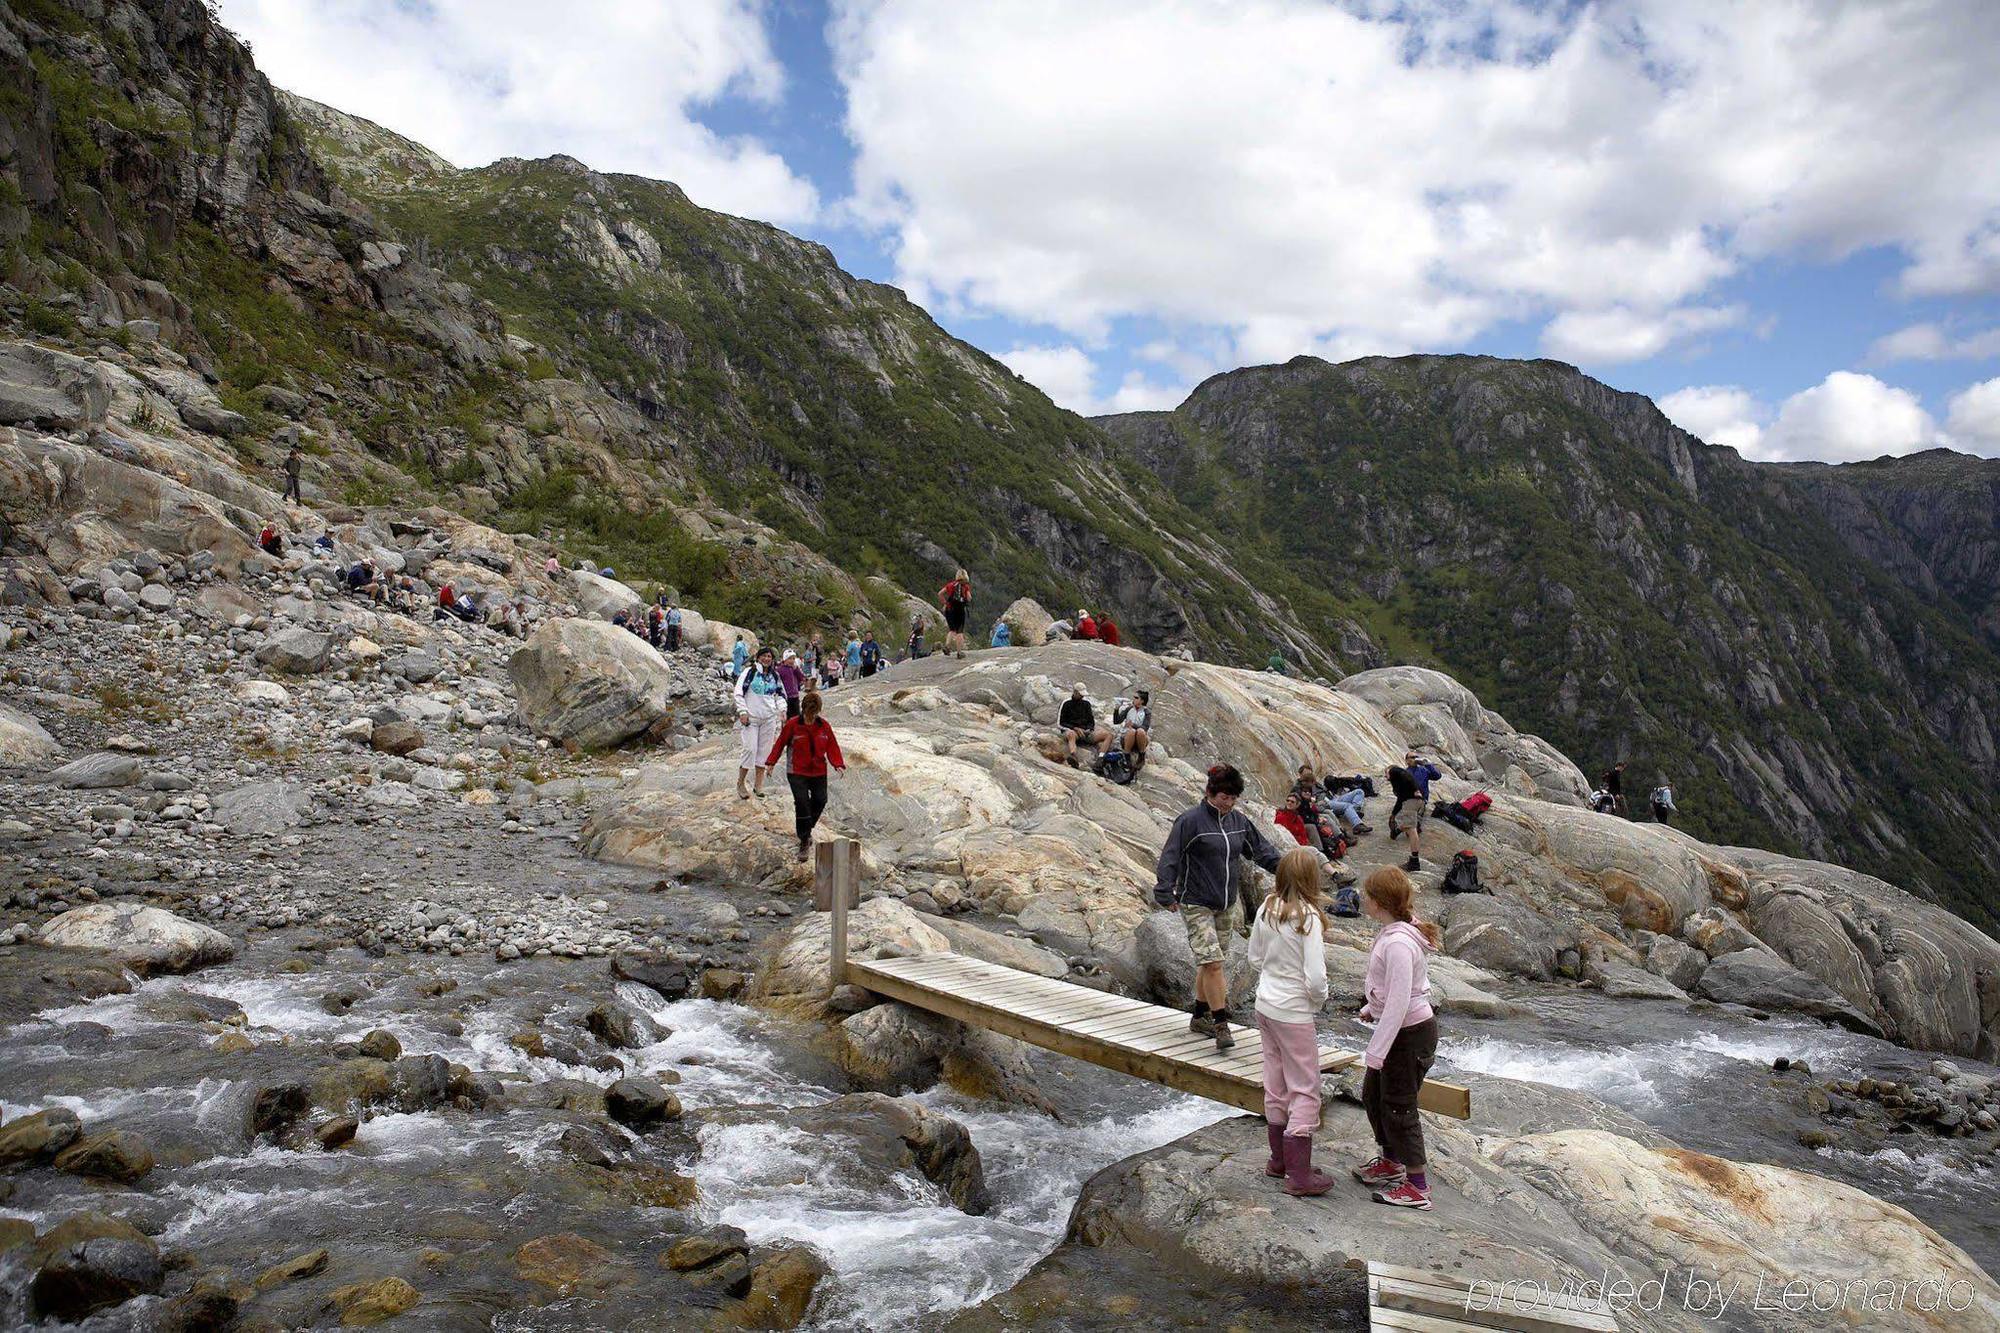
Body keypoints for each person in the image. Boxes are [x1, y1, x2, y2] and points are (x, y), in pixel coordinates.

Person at [1154, 764, 1283, 1052]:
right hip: (1195, 901)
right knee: (1213, 963)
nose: (1229, 802)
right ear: (1210, 792)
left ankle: (1199, 1016)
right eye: (1225, 797)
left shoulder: (1239, 821)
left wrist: (1287, 871)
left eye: (1234, 798)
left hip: (1226, 903)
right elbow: (1170, 857)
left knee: (1211, 963)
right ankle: (1220, 1022)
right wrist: (1165, 891)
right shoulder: (1190, 821)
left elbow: (1261, 851)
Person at [1354, 866, 1441, 1210]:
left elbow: (1402, 998)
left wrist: (1378, 1048)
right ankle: (1390, 1161)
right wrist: (1371, 1008)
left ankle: (1418, 1186)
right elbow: (1389, 991)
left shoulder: (1400, 944)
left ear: (1377, 902)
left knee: (1399, 1106)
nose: (1362, 899)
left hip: (1408, 1035)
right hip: (1398, 1030)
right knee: (1373, 1095)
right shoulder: (1393, 932)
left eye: (1366, 895)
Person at [1251, 846, 1334, 1196]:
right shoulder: (1308, 918)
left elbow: (1254, 957)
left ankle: (1280, 1160)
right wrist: (1317, 999)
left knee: (1275, 1078)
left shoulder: (1266, 908)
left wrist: (1272, 978)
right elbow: (1315, 976)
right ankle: (1299, 1175)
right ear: (1311, 879)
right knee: (1304, 1085)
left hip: (1265, 1004)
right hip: (1294, 1010)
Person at [765, 688, 846, 860]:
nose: (811, 718)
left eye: (814, 714)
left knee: (820, 800)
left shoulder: (824, 726)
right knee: (802, 802)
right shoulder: (793, 724)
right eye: (808, 714)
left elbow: (832, 745)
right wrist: (771, 763)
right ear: (803, 710)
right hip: (797, 770)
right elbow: (780, 743)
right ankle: (804, 840)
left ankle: (806, 829)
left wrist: (837, 764)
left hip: (818, 770)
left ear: (818, 712)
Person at [733, 647, 787, 800]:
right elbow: (738, 692)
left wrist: (782, 709)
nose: (766, 659)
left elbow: (780, 694)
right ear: (758, 658)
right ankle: (741, 782)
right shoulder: (749, 673)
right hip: (751, 719)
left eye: (769, 656)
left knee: (764, 752)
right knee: (750, 749)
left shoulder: (774, 675)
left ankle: (758, 785)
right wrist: (742, 711)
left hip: (769, 719)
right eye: (764, 656)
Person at [1386, 752, 1440, 873]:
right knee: (1411, 824)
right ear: (1406, 760)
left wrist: (1428, 764)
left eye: (1416, 757)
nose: (1415, 759)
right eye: (1412, 757)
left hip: (1418, 801)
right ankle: (1397, 831)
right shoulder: (1404, 773)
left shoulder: (1424, 770)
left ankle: (1414, 861)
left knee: (1413, 828)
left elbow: (1437, 776)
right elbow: (1400, 794)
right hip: (1413, 801)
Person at [1058, 683, 1111, 767]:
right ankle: (1073, 755)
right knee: (1071, 734)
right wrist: (1075, 728)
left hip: (1085, 732)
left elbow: (1091, 722)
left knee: (1108, 735)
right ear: (1075, 692)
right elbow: (1060, 723)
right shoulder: (1066, 703)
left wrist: (1088, 729)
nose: (1082, 696)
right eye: (1080, 694)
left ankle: (1100, 759)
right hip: (1072, 731)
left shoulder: (1086, 704)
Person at [1112, 689, 1152, 771]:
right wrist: (1116, 709)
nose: (1133, 699)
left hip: (1140, 739)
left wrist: (1133, 725)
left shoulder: (1146, 712)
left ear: (1142, 701)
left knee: (1140, 731)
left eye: (1136, 698)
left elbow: (1145, 728)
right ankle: (1126, 756)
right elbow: (1116, 721)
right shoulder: (1129, 709)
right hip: (1127, 738)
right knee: (1132, 731)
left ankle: (1141, 756)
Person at [938, 569, 973, 658]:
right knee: (959, 631)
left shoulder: (951, 585)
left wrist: (945, 603)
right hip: (960, 610)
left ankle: (947, 646)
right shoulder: (965, 586)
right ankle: (959, 652)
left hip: (949, 610)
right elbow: (969, 598)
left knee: (952, 630)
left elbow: (940, 594)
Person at [777, 648, 806, 718]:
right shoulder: (780, 669)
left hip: (795, 695)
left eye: (793, 659)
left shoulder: (795, 669)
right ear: (785, 659)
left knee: (797, 716)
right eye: (790, 659)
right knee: (787, 716)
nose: (792, 661)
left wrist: (796, 669)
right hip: (786, 697)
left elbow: (802, 678)